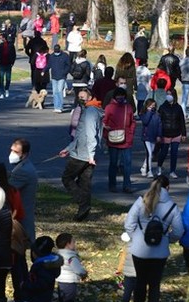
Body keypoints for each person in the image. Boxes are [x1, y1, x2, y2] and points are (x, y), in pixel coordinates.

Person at [124, 176, 184, 302]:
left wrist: (136, 237)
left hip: (139, 250)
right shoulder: (172, 206)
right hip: (160, 251)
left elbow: (129, 223)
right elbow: (178, 230)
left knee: (141, 281)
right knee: (155, 284)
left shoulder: (141, 201)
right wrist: (167, 239)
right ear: (168, 187)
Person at [0, 163, 28, 302]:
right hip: (12, 236)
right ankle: (21, 299)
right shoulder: (13, 190)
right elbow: (20, 211)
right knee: (17, 268)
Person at [60, 91, 104, 222]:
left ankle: (83, 204)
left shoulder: (90, 112)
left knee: (67, 178)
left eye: (83, 97)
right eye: (79, 97)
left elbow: (91, 135)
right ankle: (83, 212)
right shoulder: (93, 109)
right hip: (86, 152)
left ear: (90, 97)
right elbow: (79, 134)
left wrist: (90, 155)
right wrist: (68, 149)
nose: (80, 99)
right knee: (85, 183)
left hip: (83, 154)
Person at [104, 87, 137, 194]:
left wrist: (131, 134)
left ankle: (127, 185)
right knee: (113, 163)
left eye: (122, 96)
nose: (120, 98)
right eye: (118, 96)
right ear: (114, 97)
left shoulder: (128, 107)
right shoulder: (109, 107)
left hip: (126, 139)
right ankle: (112, 185)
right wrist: (106, 134)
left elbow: (132, 122)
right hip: (113, 139)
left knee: (127, 164)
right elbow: (105, 122)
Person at [8, 138, 38, 245]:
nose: (12, 154)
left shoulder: (22, 171)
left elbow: (6, 191)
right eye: (11, 150)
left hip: (20, 219)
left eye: (16, 152)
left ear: (24, 154)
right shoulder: (24, 166)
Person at [55, 233, 87, 302]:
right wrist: (84, 273)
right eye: (73, 242)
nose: (75, 244)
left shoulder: (59, 254)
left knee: (62, 300)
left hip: (61, 280)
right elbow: (78, 269)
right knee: (69, 301)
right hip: (70, 281)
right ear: (68, 244)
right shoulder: (71, 257)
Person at [157, 89, 186, 179]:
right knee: (164, 152)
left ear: (174, 96)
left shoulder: (178, 107)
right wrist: (158, 134)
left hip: (176, 133)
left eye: (170, 94)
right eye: (167, 94)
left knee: (174, 153)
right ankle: (159, 167)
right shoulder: (162, 107)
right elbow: (159, 121)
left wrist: (184, 133)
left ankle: (172, 171)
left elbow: (182, 121)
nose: (168, 96)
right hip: (165, 133)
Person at [115, 232, 137, 302]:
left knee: (127, 292)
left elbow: (122, 261)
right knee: (138, 292)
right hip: (139, 274)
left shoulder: (126, 248)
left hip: (128, 273)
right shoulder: (142, 248)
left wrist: (119, 270)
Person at [139, 99, 162, 178]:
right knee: (149, 153)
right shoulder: (144, 113)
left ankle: (144, 167)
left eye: (154, 105)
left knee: (150, 154)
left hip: (154, 136)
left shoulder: (157, 115)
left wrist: (159, 135)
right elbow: (145, 121)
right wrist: (149, 112)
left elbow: (159, 125)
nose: (152, 107)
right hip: (146, 136)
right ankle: (149, 171)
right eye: (151, 105)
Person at [47, 44, 71, 113]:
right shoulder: (52, 56)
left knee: (59, 91)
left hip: (62, 76)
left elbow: (68, 65)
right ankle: (56, 106)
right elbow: (49, 65)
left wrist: (65, 72)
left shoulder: (65, 56)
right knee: (55, 92)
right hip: (54, 76)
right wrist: (43, 70)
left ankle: (60, 107)